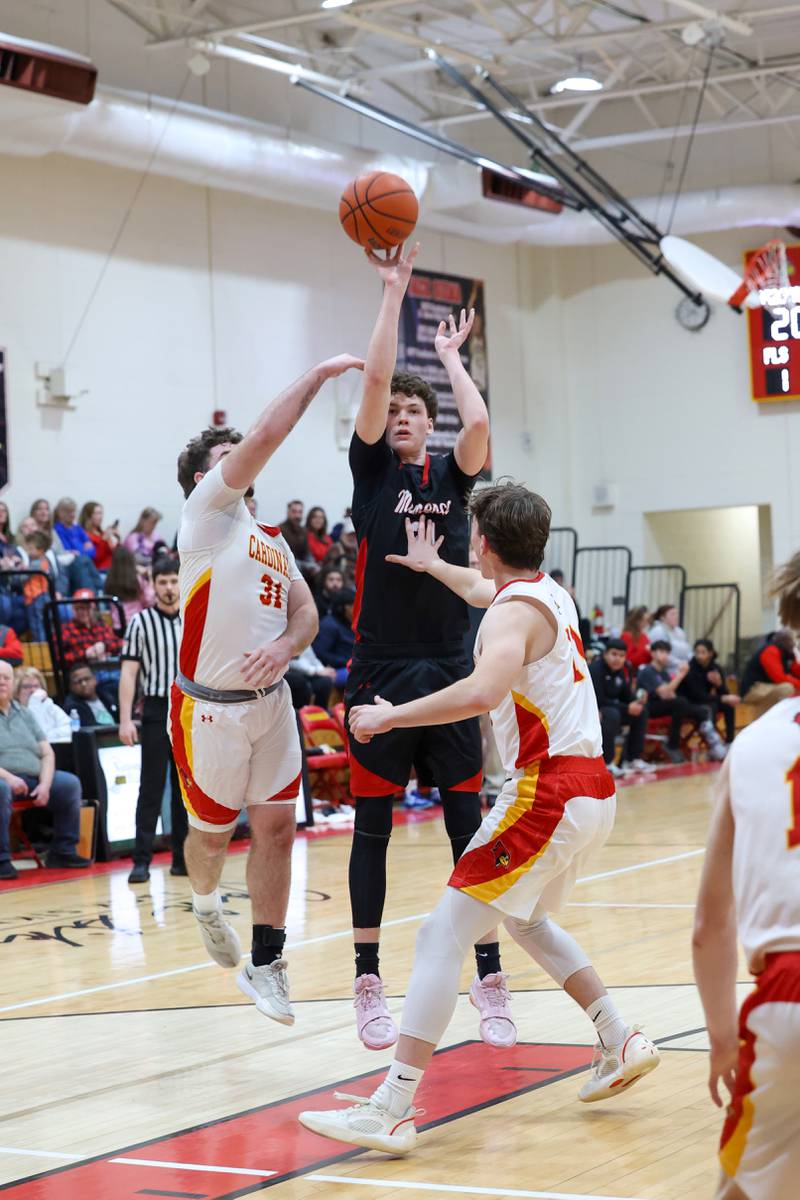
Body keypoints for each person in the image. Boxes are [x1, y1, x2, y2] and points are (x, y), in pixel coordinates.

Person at [298, 487, 659, 1154]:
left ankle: (392, 1106)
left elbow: (482, 691)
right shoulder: (547, 594)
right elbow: (479, 589)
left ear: (484, 542)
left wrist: (389, 715)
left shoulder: (507, 620)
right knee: (524, 920)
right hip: (592, 789)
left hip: (546, 792)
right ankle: (620, 1036)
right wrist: (432, 566)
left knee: (440, 935)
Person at [343, 242, 512, 1054]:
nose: (403, 416)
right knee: (370, 827)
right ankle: (366, 978)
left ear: (431, 422)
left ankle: (489, 976)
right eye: (397, 412)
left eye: (416, 411)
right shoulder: (372, 476)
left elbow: (478, 423)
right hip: (378, 669)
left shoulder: (453, 477)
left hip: (450, 669)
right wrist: (393, 295)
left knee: (465, 829)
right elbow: (375, 383)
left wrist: (448, 353)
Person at [170, 351, 363, 1025]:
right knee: (214, 839)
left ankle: (269, 961)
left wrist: (287, 643)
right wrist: (316, 378)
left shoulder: (273, 543)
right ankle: (202, 902)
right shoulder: (205, 514)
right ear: (205, 475)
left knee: (278, 829)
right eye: (231, 453)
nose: (248, 457)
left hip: (271, 705)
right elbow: (263, 437)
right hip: (209, 711)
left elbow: (307, 611)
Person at [692, 551, 800, 1200]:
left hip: (787, 1000)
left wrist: (722, 1040)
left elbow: (710, 926)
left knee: (743, 1187)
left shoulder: (753, 744)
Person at [119, 556, 187, 883]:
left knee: (184, 790)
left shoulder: (193, 617)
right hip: (157, 708)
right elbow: (128, 674)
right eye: (163, 582)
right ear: (153, 585)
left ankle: (182, 859)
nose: (169, 588)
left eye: (174, 581)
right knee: (151, 787)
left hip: (189, 708)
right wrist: (125, 719)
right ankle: (141, 861)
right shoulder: (141, 622)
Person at [0, 659, 90, 880]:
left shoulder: (25, 713)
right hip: (4, 779)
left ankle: (63, 850)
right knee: (1, 790)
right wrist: (10, 778)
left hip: (32, 778)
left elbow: (47, 753)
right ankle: (2, 859)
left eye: (6, 678)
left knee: (68, 784)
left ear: (13, 683)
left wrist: (45, 784)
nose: (2, 682)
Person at [637, 640, 726, 763]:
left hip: (666, 705)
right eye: (661, 652)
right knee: (680, 703)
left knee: (681, 702)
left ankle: (702, 720)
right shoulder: (647, 671)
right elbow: (664, 693)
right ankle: (675, 743)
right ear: (652, 654)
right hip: (649, 707)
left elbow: (671, 694)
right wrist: (681, 674)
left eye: (667, 653)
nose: (665, 655)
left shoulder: (663, 673)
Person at [588, 638, 654, 777]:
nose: (617, 659)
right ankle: (607, 763)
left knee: (641, 712)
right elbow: (599, 700)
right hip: (593, 710)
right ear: (605, 654)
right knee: (612, 715)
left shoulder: (619, 672)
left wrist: (637, 701)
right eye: (614, 654)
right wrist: (626, 708)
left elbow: (626, 696)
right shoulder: (595, 670)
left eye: (621, 656)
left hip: (611, 708)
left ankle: (633, 758)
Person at [680, 639, 740, 744]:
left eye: (703, 652)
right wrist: (722, 698)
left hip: (705, 700)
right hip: (689, 702)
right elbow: (696, 695)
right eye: (697, 652)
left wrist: (719, 684)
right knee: (712, 706)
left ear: (710, 654)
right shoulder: (690, 668)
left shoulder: (715, 668)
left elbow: (724, 694)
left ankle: (730, 742)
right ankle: (712, 744)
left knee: (728, 706)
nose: (699, 655)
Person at [60, 589, 123, 675]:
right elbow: (60, 658)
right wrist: (85, 654)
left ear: (93, 608)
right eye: (80, 608)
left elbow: (119, 643)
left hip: (106, 669)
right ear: (74, 610)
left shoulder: (102, 625)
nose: (84, 612)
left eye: (87, 607)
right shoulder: (66, 630)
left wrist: (105, 646)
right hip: (81, 672)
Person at [739, 629, 800, 716]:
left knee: (792, 687)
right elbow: (780, 677)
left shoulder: (788, 653)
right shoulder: (770, 650)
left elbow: (796, 670)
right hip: (754, 688)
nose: (794, 644)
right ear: (784, 641)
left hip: (768, 687)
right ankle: (767, 717)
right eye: (791, 640)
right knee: (787, 688)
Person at [14, 667, 72, 744]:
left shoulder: (50, 706)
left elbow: (70, 728)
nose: (33, 691)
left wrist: (49, 735)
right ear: (16, 692)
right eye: (26, 687)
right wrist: (34, 704)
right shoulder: (13, 713)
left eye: (36, 686)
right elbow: (36, 737)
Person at [313, 587, 355, 688]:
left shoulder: (348, 622)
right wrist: (346, 661)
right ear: (344, 607)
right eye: (354, 605)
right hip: (335, 669)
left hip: (351, 666)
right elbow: (320, 653)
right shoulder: (329, 625)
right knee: (363, 676)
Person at [105, 546, 155, 626]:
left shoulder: (109, 580)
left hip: (117, 625)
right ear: (131, 562)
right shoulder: (137, 580)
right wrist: (150, 578)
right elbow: (150, 601)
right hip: (137, 624)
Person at [64, 662, 119, 726]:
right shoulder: (72, 707)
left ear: (95, 679)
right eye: (79, 681)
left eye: (87, 679)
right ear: (71, 687)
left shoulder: (108, 696)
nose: (84, 684)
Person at [648, 604, 691, 672]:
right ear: (662, 617)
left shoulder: (680, 631)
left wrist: (692, 662)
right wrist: (680, 663)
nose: (676, 617)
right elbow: (661, 654)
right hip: (666, 671)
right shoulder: (658, 631)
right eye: (672, 614)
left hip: (684, 668)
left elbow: (688, 651)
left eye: (676, 614)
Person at [79, 501, 120, 572]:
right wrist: (104, 540)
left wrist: (117, 539)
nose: (101, 517)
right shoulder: (84, 535)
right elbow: (95, 559)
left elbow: (117, 554)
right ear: (88, 516)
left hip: (113, 568)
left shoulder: (102, 533)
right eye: (97, 513)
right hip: (100, 570)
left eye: (101, 513)